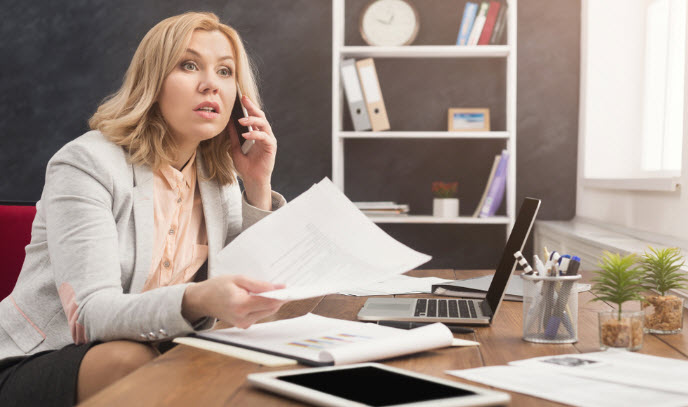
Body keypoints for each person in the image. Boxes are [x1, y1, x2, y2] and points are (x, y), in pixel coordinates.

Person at [0, 11, 288, 406]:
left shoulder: (218, 178)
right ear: (153, 81)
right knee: (131, 359)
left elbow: (246, 290)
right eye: (189, 65)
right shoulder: (86, 164)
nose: (211, 85)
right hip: (40, 358)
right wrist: (198, 298)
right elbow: (91, 316)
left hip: (157, 355)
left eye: (225, 71)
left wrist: (257, 184)